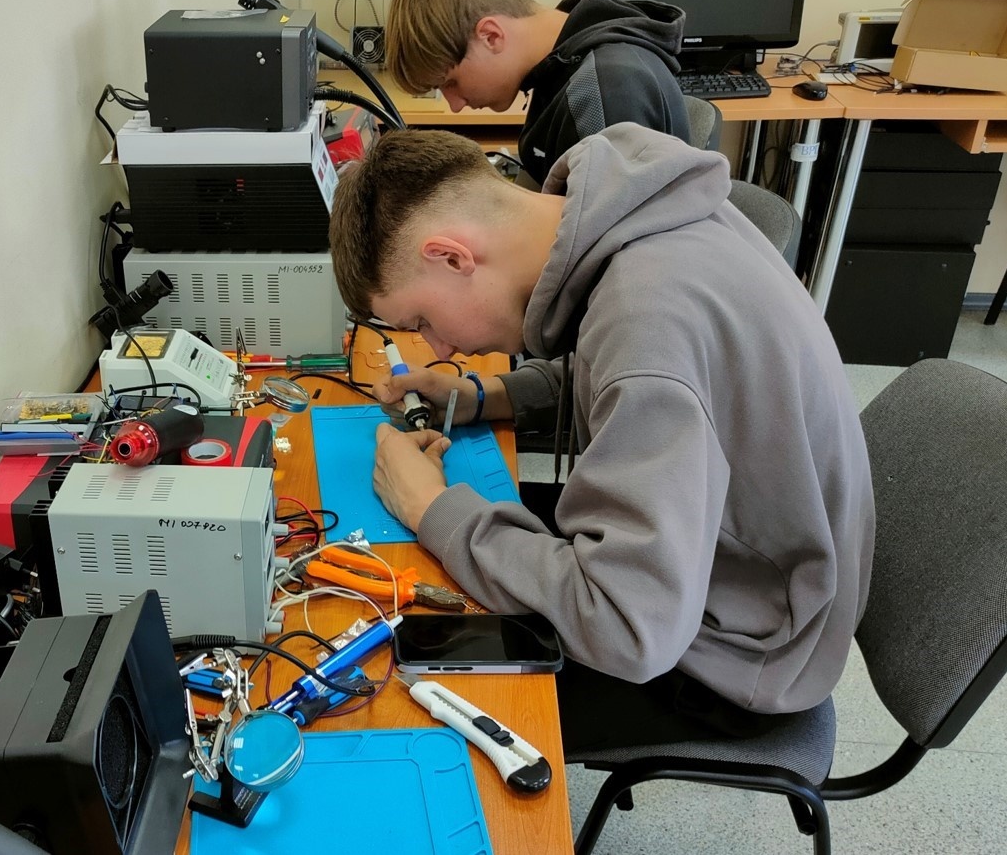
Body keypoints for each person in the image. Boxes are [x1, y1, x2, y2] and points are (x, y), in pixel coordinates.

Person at [328, 124, 875, 752]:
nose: (440, 348)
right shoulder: (627, 205)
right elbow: (617, 371)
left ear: (453, 257)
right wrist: (486, 395)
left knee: (386, 691)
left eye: (422, 320)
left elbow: (627, 626)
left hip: (736, 653)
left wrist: (430, 508)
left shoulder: (647, 319)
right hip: (716, 571)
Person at [386, 0, 689, 188]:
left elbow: (607, 242)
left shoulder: (607, 88)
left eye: (450, 82)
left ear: (491, 36)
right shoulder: (557, 66)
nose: (454, 106)